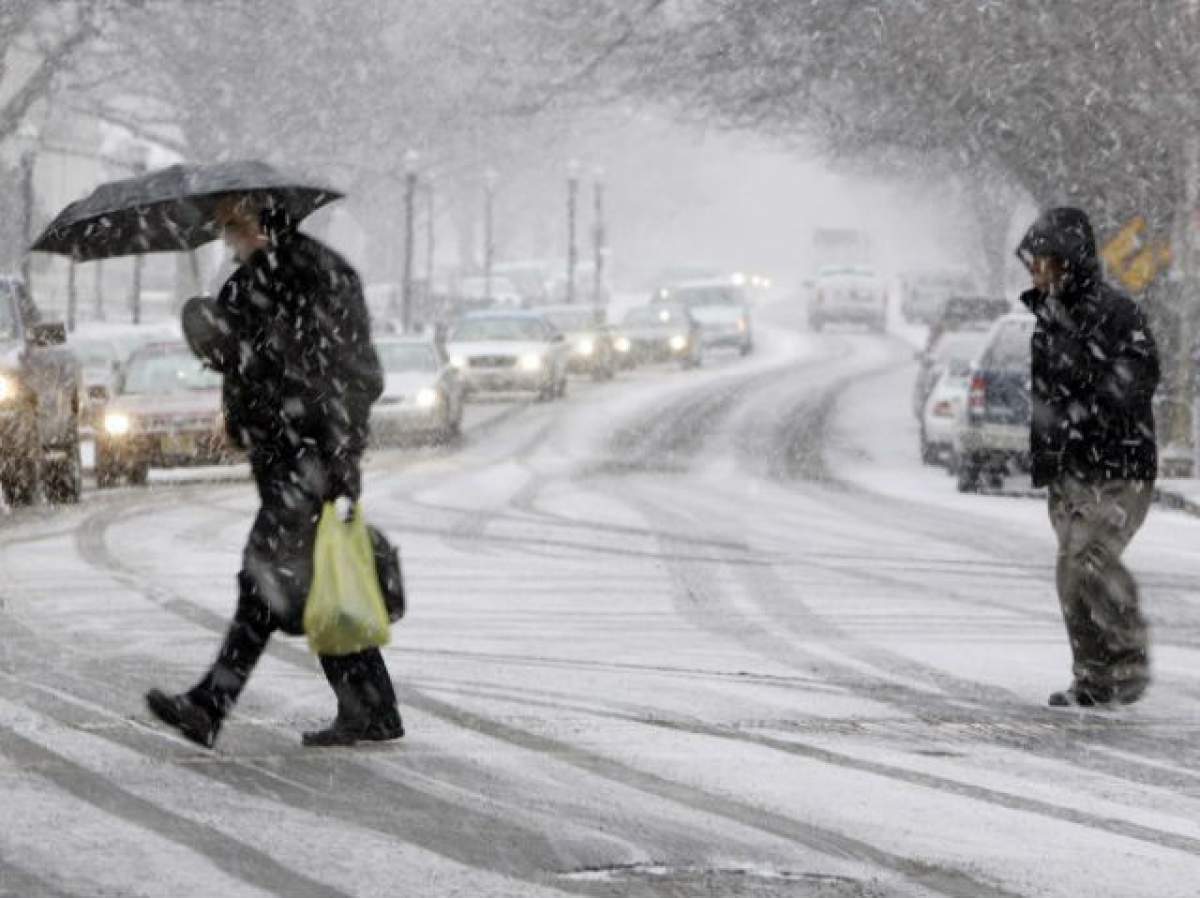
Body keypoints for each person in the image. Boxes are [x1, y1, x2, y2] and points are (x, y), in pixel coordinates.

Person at [146, 194, 403, 747]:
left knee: (261, 582)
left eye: (234, 224)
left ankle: (209, 704)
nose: (226, 236)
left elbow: (359, 376)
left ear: (266, 221)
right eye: (223, 227)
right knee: (314, 581)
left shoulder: (318, 277)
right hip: (284, 457)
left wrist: (333, 452)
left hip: (309, 458)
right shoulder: (250, 282)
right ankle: (373, 708)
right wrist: (212, 338)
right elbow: (238, 357)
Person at [1016, 207, 1160, 708]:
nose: (1035, 270)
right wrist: (1047, 459)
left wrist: (1092, 406)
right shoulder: (1047, 321)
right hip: (1071, 471)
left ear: (1066, 261)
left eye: (1043, 260)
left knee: (1091, 559)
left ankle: (1128, 658)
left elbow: (1140, 377)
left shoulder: (1116, 314)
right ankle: (1094, 677)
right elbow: (1043, 397)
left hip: (1119, 466)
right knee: (1071, 575)